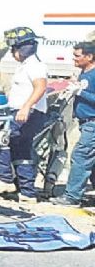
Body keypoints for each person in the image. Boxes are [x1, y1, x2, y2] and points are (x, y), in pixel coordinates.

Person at [0, 27, 48, 203]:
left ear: (22, 48)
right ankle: (27, 192)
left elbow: (40, 87)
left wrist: (26, 107)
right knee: (21, 151)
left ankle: (4, 179)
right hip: (24, 111)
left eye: (13, 49)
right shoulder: (27, 65)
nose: (12, 53)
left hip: (28, 112)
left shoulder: (34, 66)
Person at [50, 41, 95, 206]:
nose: (73, 59)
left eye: (77, 55)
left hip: (93, 123)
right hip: (85, 122)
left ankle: (72, 197)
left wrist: (81, 92)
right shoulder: (84, 73)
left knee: (81, 156)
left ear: (89, 57)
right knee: (91, 160)